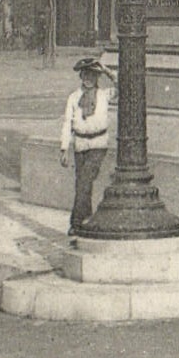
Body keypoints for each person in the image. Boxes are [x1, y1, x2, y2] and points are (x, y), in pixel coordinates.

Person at [60, 57, 114, 241]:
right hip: (80, 145)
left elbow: (126, 85)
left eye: (92, 75)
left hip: (98, 144)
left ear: (97, 77)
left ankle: (75, 224)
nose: (88, 79)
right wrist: (64, 148)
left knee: (84, 181)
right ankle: (86, 219)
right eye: (85, 75)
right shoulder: (74, 98)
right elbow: (68, 123)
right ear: (81, 76)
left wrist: (106, 69)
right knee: (82, 185)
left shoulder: (104, 95)